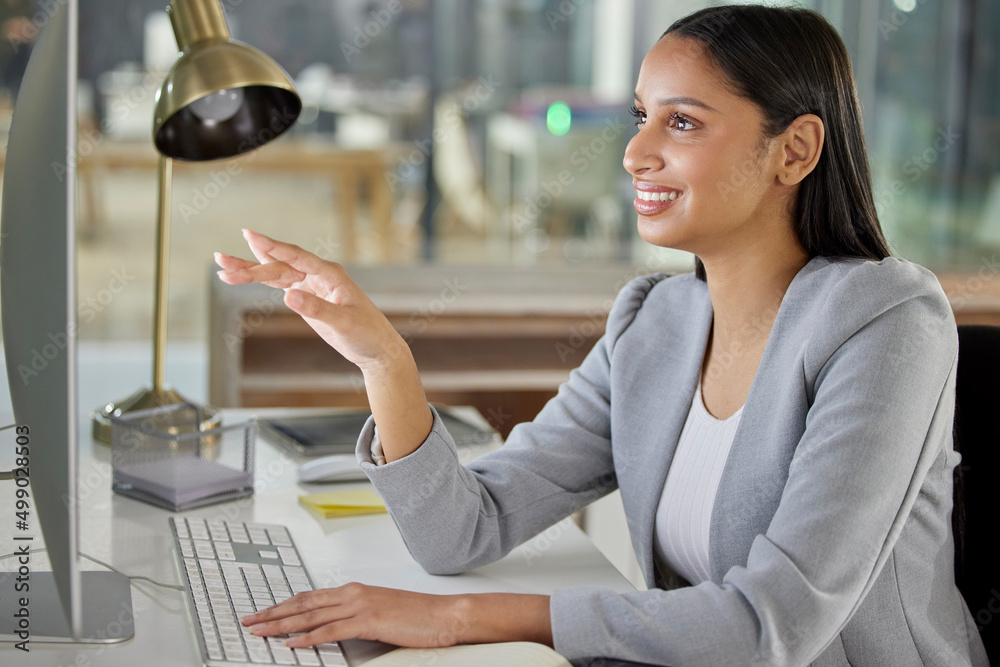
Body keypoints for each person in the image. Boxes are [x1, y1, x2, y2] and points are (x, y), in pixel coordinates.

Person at [215, 5, 988, 666]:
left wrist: (468, 620)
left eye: (681, 121)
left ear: (795, 150)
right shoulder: (654, 321)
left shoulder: (886, 320)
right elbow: (462, 531)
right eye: (640, 116)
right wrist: (384, 359)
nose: (635, 151)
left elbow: (776, 624)